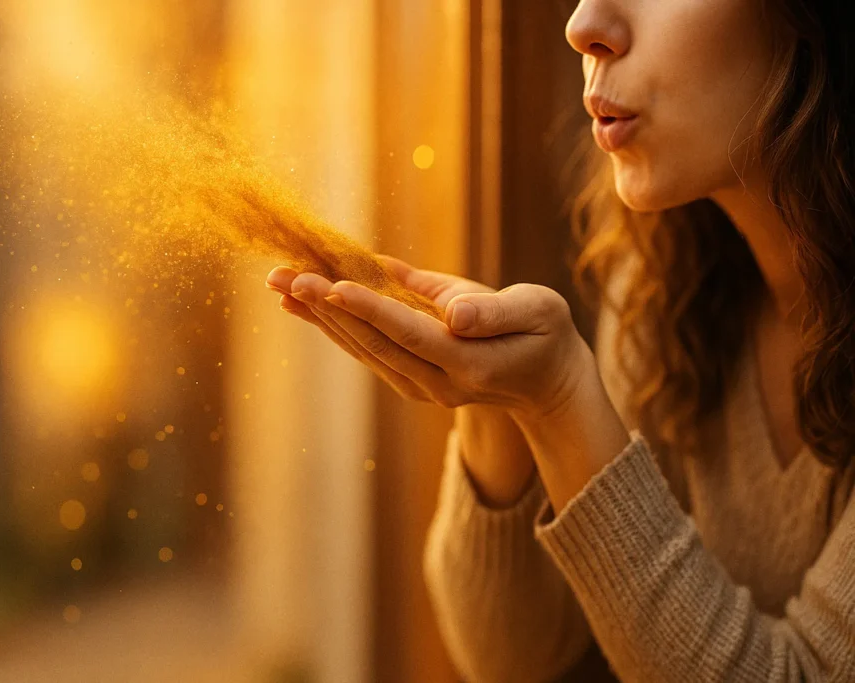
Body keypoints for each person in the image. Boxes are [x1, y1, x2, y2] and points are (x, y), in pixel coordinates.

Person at [265, 0, 855, 680]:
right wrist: (500, 406)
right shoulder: (670, 281)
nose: (584, 24)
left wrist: (560, 400)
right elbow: (515, 655)